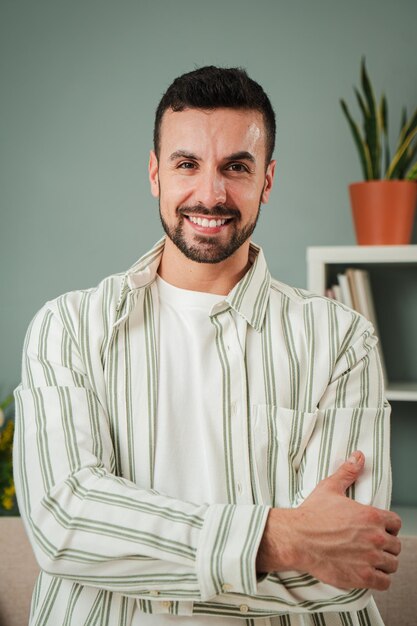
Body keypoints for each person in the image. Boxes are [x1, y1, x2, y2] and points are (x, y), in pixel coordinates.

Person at [14, 66, 401, 626]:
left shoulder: (343, 341)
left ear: (267, 180)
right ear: (155, 173)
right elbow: (65, 527)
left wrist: (131, 562)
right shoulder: (66, 328)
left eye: (236, 167)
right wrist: (283, 534)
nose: (210, 194)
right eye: (187, 164)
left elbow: (345, 572)